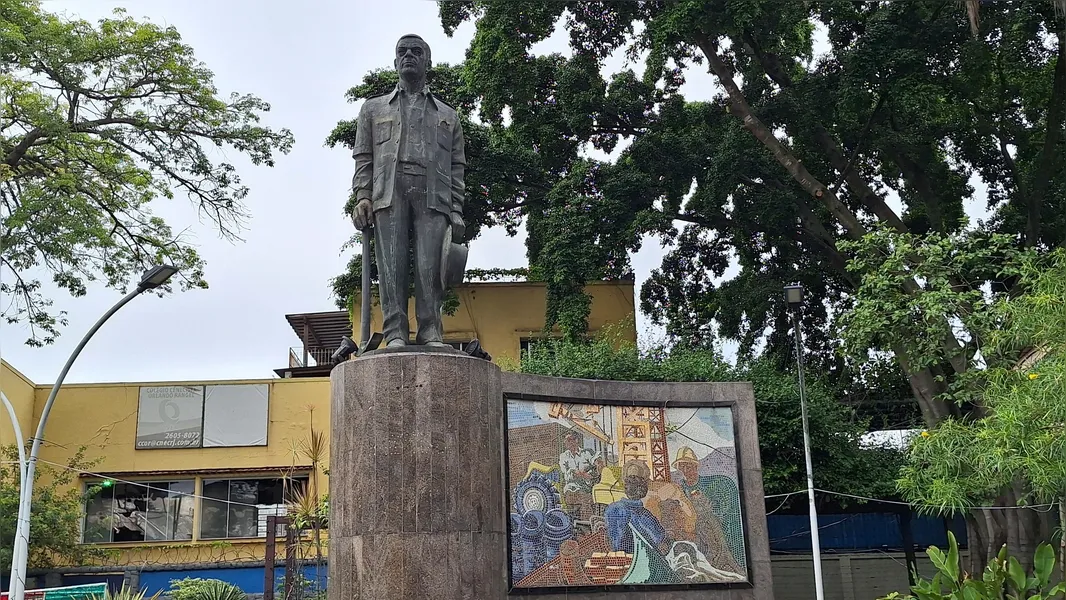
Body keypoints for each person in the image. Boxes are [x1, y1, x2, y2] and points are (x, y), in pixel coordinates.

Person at [351, 34, 466, 348]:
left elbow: (457, 167)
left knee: (431, 267)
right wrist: (362, 195)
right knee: (391, 265)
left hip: (434, 193)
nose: (409, 56)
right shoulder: (372, 110)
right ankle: (395, 332)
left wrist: (456, 209)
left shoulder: (448, 115)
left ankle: (430, 331)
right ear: (394, 62)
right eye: (403, 52)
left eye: (417, 52)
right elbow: (364, 157)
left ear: (427, 62)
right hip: (389, 191)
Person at [558, 432, 600, 519]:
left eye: (570, 440)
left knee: (591, 501)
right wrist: (583, 474)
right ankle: (584, 525)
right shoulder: (563, 456)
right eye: (566, 441)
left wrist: (598, 464)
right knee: (582, 501)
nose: (568, 442)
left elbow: (596, 460)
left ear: (576, 440)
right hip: (571, 488)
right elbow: (567, 473)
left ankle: (590, 526)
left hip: (587, 488)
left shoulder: (586, 453)